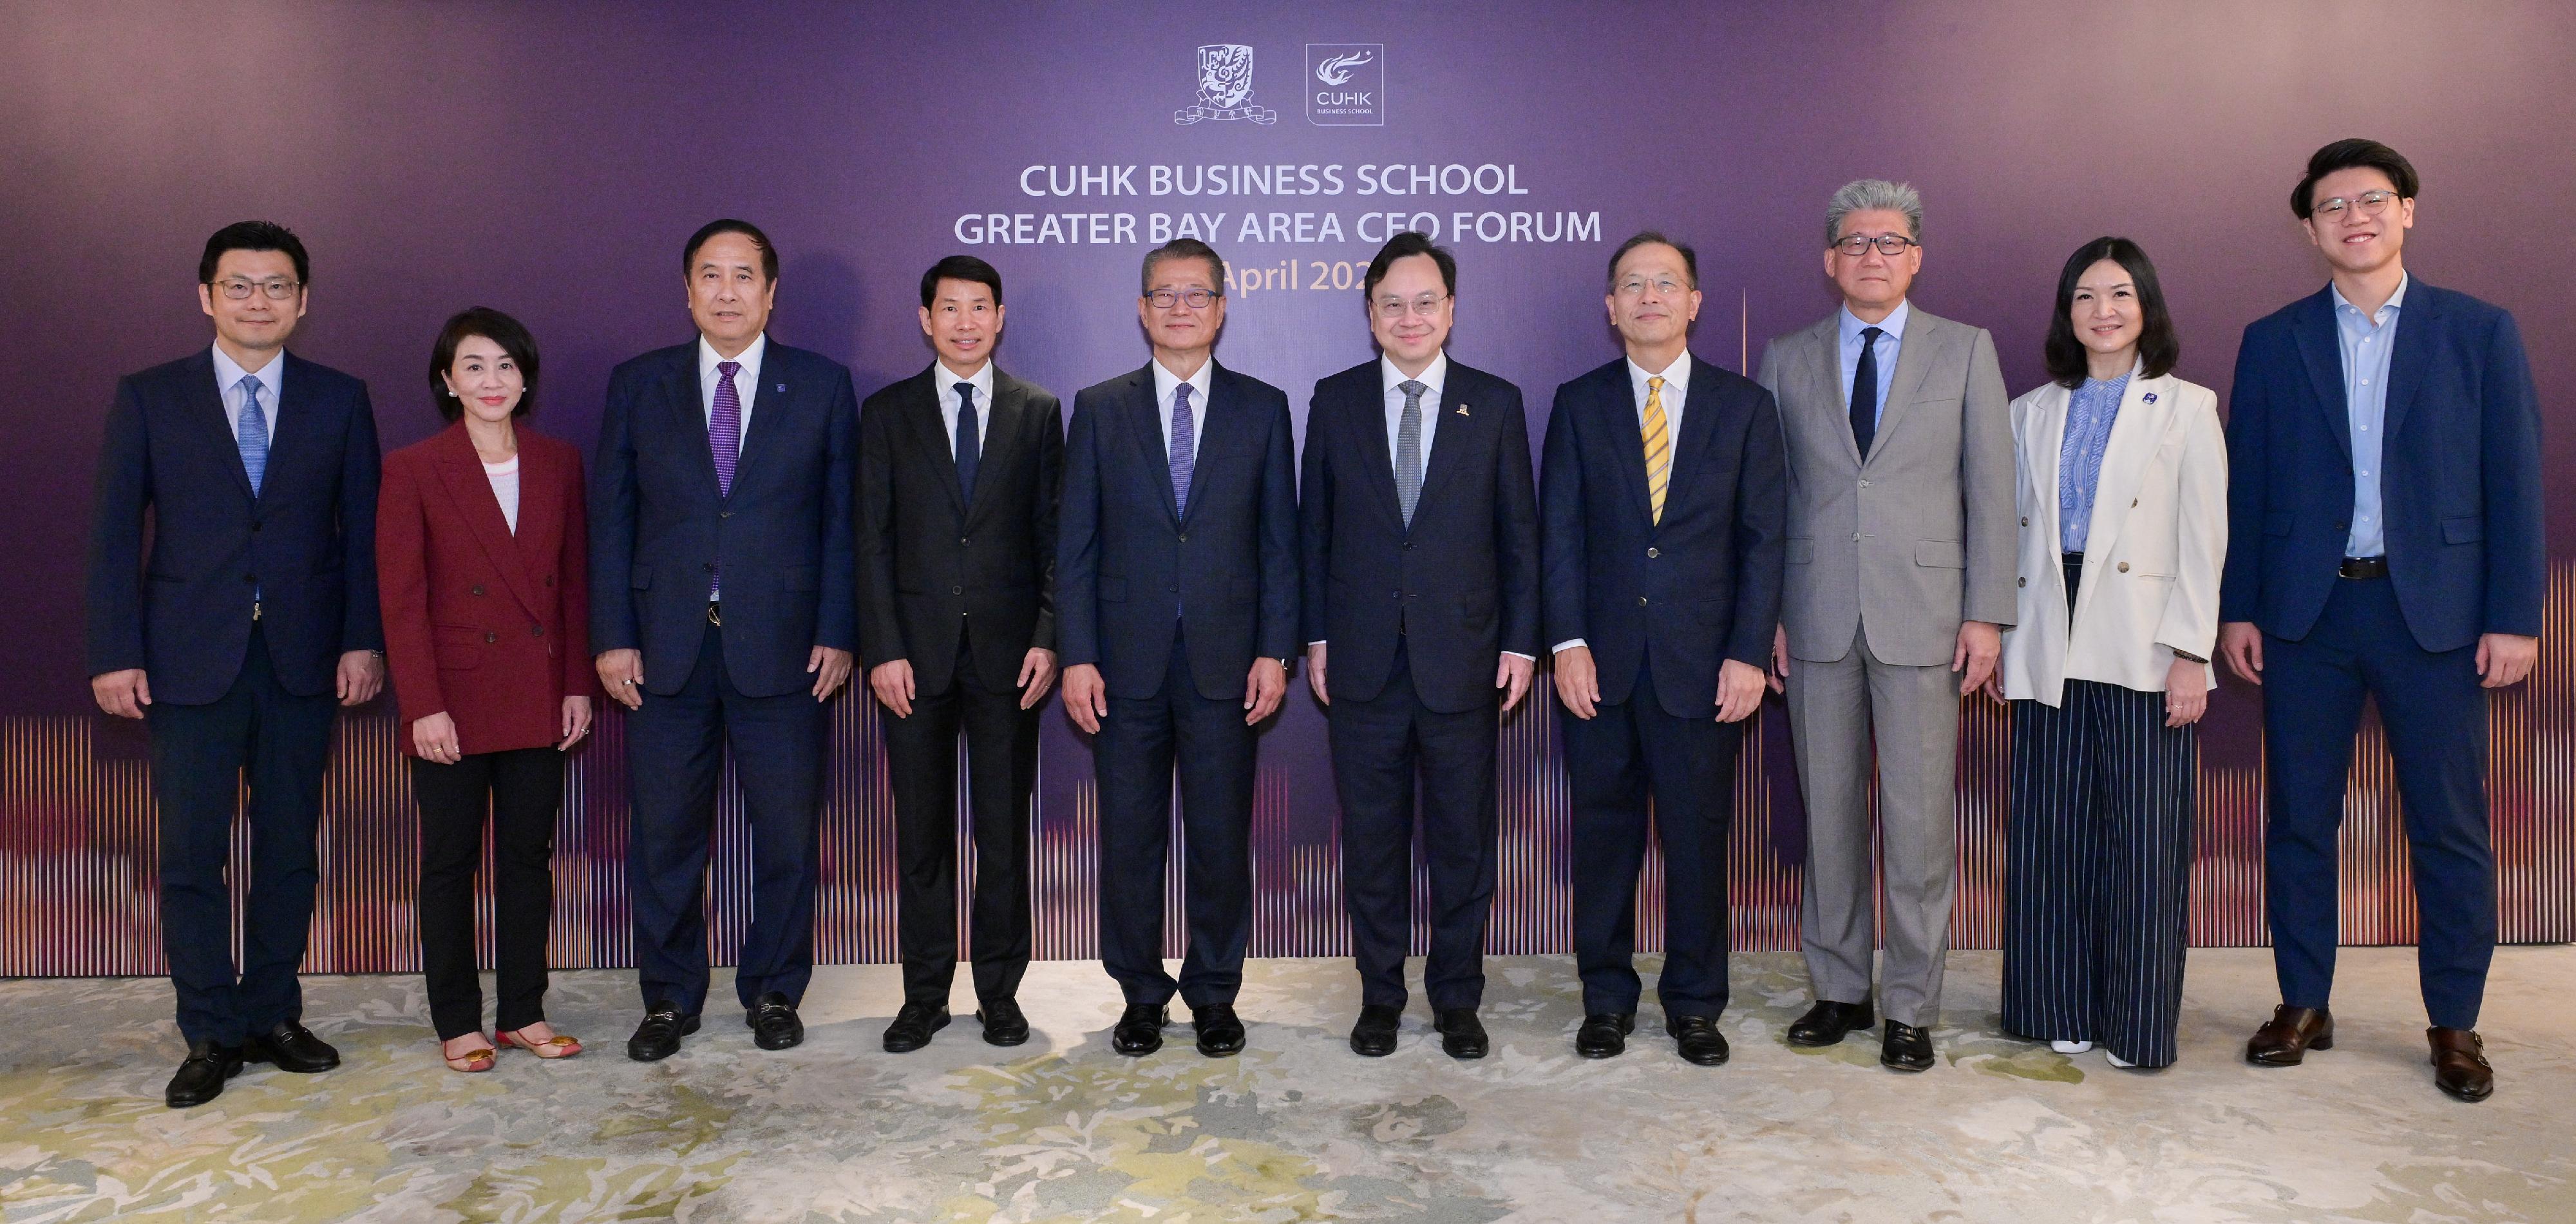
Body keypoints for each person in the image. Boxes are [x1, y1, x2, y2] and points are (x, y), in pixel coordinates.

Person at [2220, 139, 2543, 1103]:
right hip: (2307, 615)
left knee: (2449, 826)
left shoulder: (2477, 331)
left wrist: (2514, 616)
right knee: (2299, 819)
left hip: (2434, 617)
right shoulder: (2273, 339)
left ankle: (2454, 1022)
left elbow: (2514, 483)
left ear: (2407, 210)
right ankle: (2303, 1002)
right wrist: (2240, 608)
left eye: (2371, 199)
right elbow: (2248, 486)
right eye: (2332, 206)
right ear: (2308, 227)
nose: (2353, 217)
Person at [85, 220, 385, 1108]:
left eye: (277, 286)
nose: (260, 301)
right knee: (191, 854)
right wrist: (114, 651)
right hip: (186, 660)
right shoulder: (150, 397)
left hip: (302, 658)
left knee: (290, 849)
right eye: (241, 286)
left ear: (304, 299)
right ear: (207, 296)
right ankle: (211, 1030)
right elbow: (113, 535)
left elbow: (364, 537)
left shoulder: (340, 399)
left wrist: (362, 638)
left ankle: (273, 1014)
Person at [1757, 180, 2014, 1072]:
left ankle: (1910, 1003)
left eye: (1890, 242)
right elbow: (1768, 500)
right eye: (1856, 242)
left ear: (1917, 258)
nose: (1873, 256)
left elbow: (1992, 491)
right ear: (1830, 260)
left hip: (1927, 620)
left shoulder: (1966, 350)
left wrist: (1987, 614)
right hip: (1814, 616)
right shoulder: (1785, 357)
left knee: (1918, 825)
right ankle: (1838, 989)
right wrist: (1767, 616)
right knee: (1828, 819)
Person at [591, 219, 858, 1061]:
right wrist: (613, 635)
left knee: (786, 834)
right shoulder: (640, 384)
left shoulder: (820, 385)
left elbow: (843, 521)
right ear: (688, 291)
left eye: (745, 276)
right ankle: (669, 998)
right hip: (665, 648)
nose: (728, 291)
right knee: (665, 836)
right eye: (712, 275)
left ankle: (775, 989)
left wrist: (838, 629)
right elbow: (612, 519)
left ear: (771, 294)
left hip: (785, 646)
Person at [1540, 231, 1786, 1065]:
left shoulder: (1743, 406)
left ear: (1694, 302)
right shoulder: (1579, 403)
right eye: (1633, 285)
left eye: (1666, 283)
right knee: (1602, 843)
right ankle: (1606, 1000)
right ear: (1610, 307)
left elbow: (1764, 539)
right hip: (1599, 668)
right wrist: (1566, 642)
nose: (1650, 297)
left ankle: (1694, 1003)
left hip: (1704, 668)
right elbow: (1559, 534)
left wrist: (1748, 651)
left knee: (1697, 840)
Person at [1057, 238, 1298, 1058]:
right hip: (1122, 665)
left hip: (1228, 664)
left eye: (1197, 294)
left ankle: (1214, 992)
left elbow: (1279, 544)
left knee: (1221, 838)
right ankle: (1140, 994)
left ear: (1222, 308)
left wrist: (1275, 651)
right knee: (1129, 839)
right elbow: (1076, 544)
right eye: (1165, 293)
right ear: (1141, 308)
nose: (1181, 307)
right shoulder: (1099, 407)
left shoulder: (1263, 408)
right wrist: (1077, 654)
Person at [1301, 232, 1539, 1060]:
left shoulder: (1494, 402)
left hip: (1464, 660)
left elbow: (1519, 537)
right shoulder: (1334, 399)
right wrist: (1317, 635)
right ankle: (1379, 996)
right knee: (1372, 843)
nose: (1410, 317)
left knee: (1461, 842)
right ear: (1370, 314)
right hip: (1361, 660)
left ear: (1451, 310)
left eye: (1425, 302)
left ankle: (1457, 997)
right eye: (1392, 304)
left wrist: (1521, 644)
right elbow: (1312, 529)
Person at [1989, 238, 2224, 1070]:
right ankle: (2055, 1003)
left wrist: (2190, 652)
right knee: (2051, 834)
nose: (2104, 311)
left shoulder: (2188, 407)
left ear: (2146, 306)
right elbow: (2009, 537)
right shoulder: (2029, 411)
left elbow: (2204, 538)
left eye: (2120, 294)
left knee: (2143, 841)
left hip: (2142, 638)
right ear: (2067, 312)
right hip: (2047, 628)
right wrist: (2005, 639)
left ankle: (2135, 1022)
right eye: (2085, 296)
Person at [377, 307, 594, 1072]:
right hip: (453, 700)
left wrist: (576, 684)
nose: (491, 380)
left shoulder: (559, 461)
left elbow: (574, 585)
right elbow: (401, 598)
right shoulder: (413, 467)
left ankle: (523, 1011)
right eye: (473, 365)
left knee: (528, 859)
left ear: (525, 377)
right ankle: (458, 1020)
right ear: (447, 380)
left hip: (538, 691)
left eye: (505, 365)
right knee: (450, 862)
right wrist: (422, 706)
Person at [858, 256, 1061, 1053]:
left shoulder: (1036, 411)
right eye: (950, 308)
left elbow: (1055, 538)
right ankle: (924, 996)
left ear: (1000, 318)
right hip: (913, 658)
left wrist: (1047, 636)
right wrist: (882, 648)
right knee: (922, 836)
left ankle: (1000, 995)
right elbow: (870, 541)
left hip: (1009, 659)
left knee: (1002, 835)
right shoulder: (887, 413)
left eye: (980, 307)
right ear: (925, 319)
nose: (966, 322)